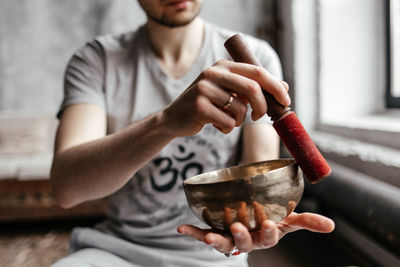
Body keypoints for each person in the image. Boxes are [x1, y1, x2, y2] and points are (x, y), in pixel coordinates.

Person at [50, 0, 335, 266]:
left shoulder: (256, 59)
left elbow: (258, 188)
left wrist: (255, 229)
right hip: (116, 252)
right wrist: (166, 122)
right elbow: (66, 189)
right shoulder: (96, 60)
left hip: (214, 257)